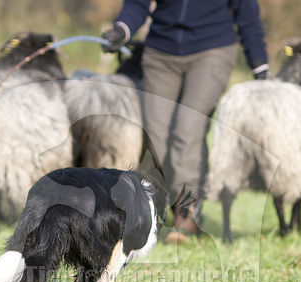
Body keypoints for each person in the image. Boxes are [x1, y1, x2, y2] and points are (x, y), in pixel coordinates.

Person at [102, 0, 270, 244]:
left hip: (211, 52)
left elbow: (247, 14)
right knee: (155, 136)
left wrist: (260, 66)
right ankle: (152, 209)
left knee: (188, 128)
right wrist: (122, 30)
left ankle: (186, 212)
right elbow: (137, 4)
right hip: (160, 54)